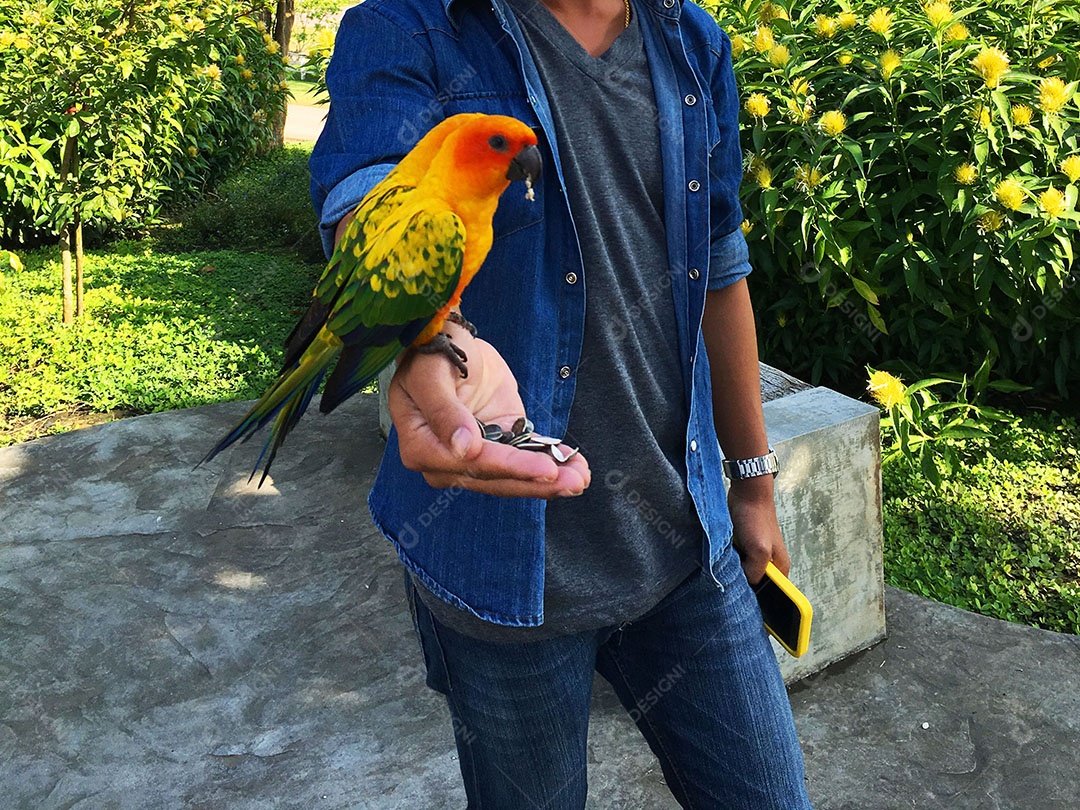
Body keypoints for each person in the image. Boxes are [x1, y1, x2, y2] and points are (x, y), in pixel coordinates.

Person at [310, 0, 813, 807]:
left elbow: (720, 264)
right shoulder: (411, 25)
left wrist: (752, 486)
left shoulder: (691, 40)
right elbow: (371, 187)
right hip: (498, 566)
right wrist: (434, 344)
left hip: (686, 544)